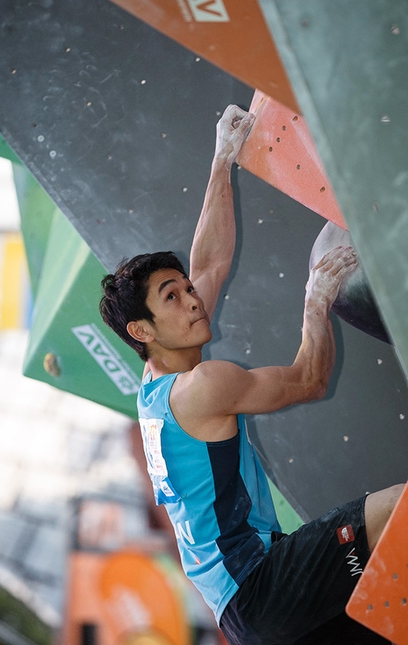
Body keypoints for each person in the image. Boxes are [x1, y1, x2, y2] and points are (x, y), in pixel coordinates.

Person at [99, 105, 403, 644]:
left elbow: (211, 263)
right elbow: (308, 379)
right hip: (263, 586)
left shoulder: (157, 386)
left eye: (186, 290)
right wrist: (316, 299)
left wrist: (223, 161)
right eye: (174, 297)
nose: (194, 301)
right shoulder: (203, 386)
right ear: (142, 331)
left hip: (247, 616)